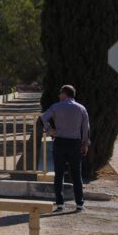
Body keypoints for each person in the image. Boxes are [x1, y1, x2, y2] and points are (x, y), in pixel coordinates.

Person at [39, 84, 89, 212]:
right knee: (76, 174)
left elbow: (43, 117)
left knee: (59, 174)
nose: (59, 95)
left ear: (65, 93)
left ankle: (60, 204)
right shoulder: (81, 108)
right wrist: (85, 144)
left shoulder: (56, 107)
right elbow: (85, 128)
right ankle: (79, 204)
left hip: (60, 142)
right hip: (75, 143)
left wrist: (49, 130)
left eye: (60, 93)